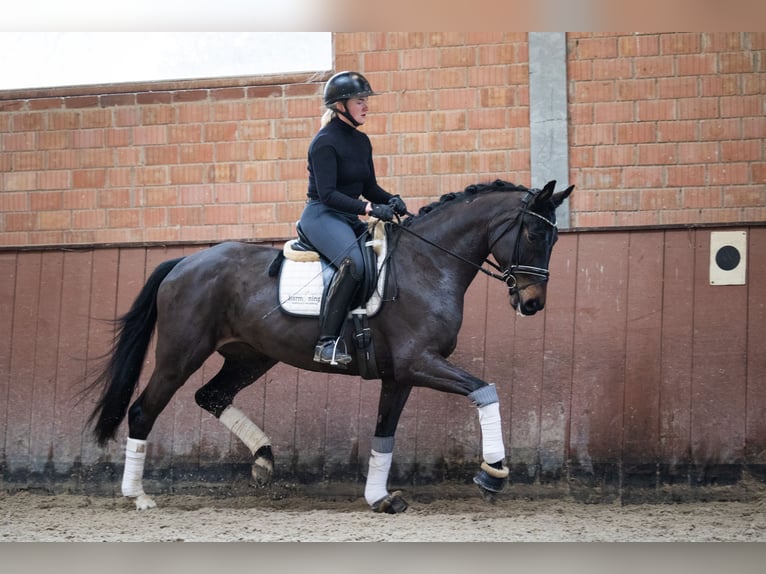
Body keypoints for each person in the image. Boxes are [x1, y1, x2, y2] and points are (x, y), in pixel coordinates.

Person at [298, 71, 408, 366]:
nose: (366, 106)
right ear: (341, 105)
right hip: (322, 215)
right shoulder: (324, 143)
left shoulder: (362, 142)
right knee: (355, 264)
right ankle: (327, 343)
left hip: (347, 217)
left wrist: (391, 200)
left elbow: (369, 187)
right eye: (360, 101)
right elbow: (329, 194)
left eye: (366, 101)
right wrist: (370, 209)